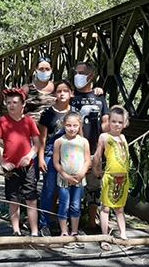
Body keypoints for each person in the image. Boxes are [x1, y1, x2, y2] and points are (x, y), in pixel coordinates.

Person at [0, 88, 41, 236]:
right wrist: (2, 162)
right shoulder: (2, 121)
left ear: (23, 104)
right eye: (9, 102)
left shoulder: (29, 121)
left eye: (15, 102)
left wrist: (29, 156)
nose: (11, 105)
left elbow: (37, 144)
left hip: (28, 167)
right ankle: (16, 230)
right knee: (14, 200)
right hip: (11, 168)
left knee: (31, 199)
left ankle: (35, 231)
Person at [70, 61, 109, 232]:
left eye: (82, 73)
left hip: (95, 151)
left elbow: (105, 123)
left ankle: (92, 222)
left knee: (94, 188)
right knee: (71, 186)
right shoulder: (70, 96)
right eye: (76, 72)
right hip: (73, 151)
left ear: (91, 76)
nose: (78, 76)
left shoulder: (100, 98)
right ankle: (70, 224)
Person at [37, 80, 74, 236]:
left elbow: (80, 137)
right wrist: (40, 158)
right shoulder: (48, 114)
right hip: (51, 156)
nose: (62, 94)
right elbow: (42, 139)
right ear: (55, 94)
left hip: (70, 157)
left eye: (66, 90)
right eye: (59, 91)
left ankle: (70, 226)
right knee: (49, 191)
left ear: (71, 93)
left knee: (68, 192)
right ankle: (44, 224)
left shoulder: (75, 113)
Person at [93, 106, 130, 251]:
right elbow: (97, 155)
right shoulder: (104, 137)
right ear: (109, 122)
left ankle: (123, 235)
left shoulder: (123, 137)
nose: (116, 125)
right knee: (106, 208)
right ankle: (104, 237)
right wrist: (95, 169)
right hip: (109, 177)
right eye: (113, 121)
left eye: (120, 122)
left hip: (124, 178)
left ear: (124, 123)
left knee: (120, 209)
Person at [52, 111, 91, 241]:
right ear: (63, 125)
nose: (72, 128)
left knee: (75, 205)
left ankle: (74, 231)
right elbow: (56, 162)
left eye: (75, 125)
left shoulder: (84, 141)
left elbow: (87, 161)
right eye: (69, 125)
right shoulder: (59, 141)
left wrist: (81, 174)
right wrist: (65, 175)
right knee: (64, 205)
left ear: (80, 125)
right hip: (64, 179)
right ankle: (64, 232)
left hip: (79, 179)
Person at [22, 57, 57, 123]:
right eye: (41, 69)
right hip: (30, 128)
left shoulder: (57, 88)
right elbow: (19, 108)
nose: (44, 71)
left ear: (51, 70)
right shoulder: (28, 88)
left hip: (51, 130)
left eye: (47, 69)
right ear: (36, 70)